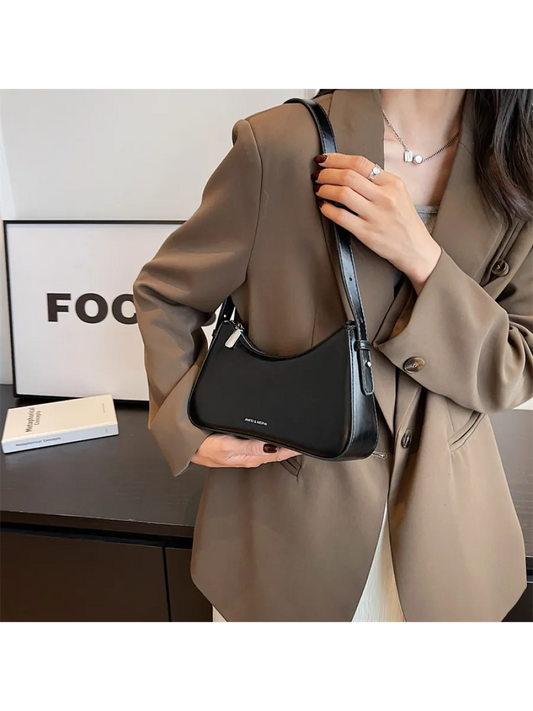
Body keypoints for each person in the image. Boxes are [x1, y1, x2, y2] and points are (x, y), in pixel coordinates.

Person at [133, 86, 533, 624]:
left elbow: (516, 364)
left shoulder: (518, 162)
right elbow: (167, 293)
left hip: (450, 541)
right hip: (287, 534)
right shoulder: (280, 144)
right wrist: (186, 423)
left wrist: (423, 258)